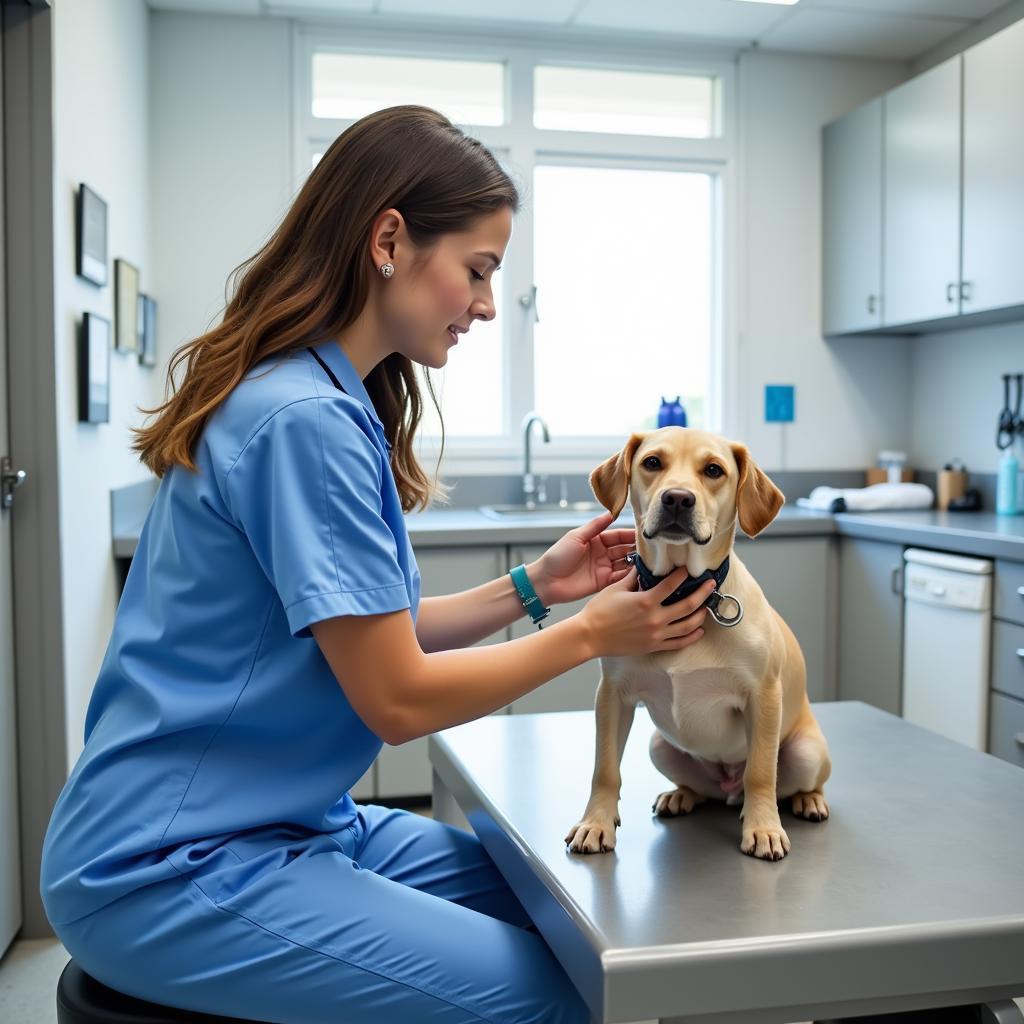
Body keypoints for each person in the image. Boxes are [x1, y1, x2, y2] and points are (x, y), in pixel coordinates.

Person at [39, 105, 712, 1023]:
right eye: (476, 271)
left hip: (293, 824)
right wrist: (593, 632)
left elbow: (372, 631)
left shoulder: (319, 395)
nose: (484, 303)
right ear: (390, 240)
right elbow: (395, 700)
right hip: (169, 863)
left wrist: (535, 589)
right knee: (561, 996)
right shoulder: (304, 421)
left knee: (562, 898)